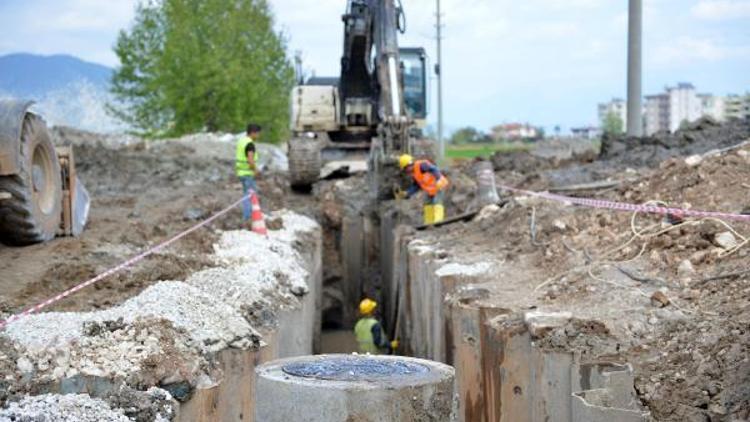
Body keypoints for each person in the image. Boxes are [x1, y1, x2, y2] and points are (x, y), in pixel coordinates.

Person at [398, 154, 450, 225]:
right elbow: (416, 186)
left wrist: (438, 180)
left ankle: (438, 221)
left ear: (408, 165)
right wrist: (407, 193)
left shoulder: (421, 165)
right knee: (427, 204)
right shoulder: (415, 173)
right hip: (430, 190)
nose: (406, 171)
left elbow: (434, 169)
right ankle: (429, 222)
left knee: (437, 202)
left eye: (405, 169)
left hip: (439, 185)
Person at [236, 124, 261, 222]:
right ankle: (247, 218)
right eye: (258, 133)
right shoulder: (250, 144)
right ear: (253, 132)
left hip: (241, 172)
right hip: (247, 173)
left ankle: (248, 216)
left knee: (247, 194)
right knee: (249, 195)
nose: (258, 136)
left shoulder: (242, 141)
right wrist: (255, 170)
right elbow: (250, 160)